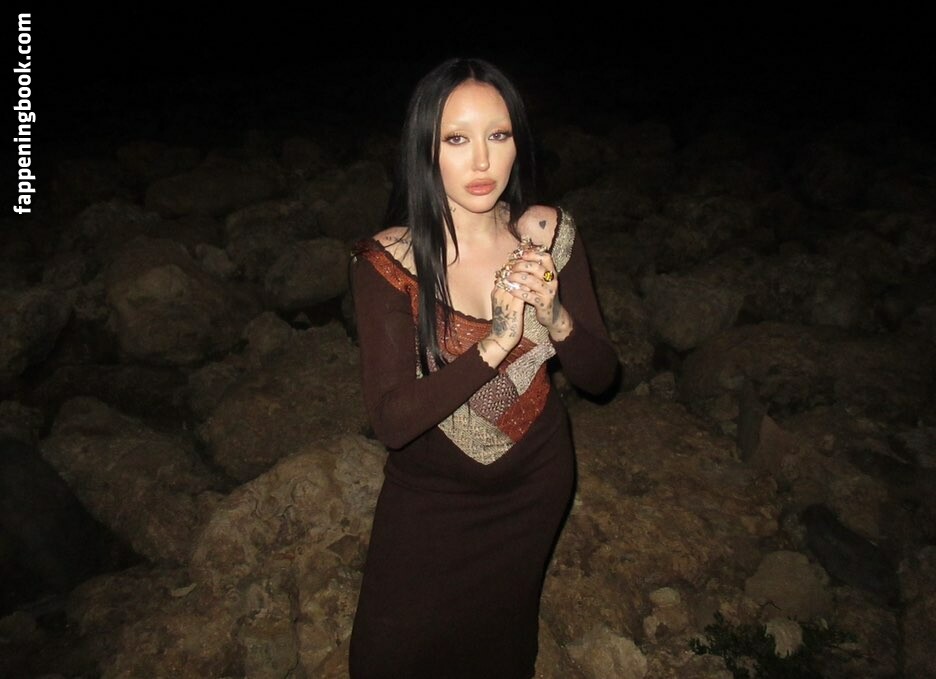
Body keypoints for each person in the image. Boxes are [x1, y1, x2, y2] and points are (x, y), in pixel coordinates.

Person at [347, 56, 618, 679]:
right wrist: (497, 342)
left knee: (500, 649)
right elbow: (392, 422)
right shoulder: (388, 262)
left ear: (517, 142)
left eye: (498, 135)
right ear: (426, 149)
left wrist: (553, 315)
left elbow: (601, 377)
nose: (481, 162)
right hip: (431, 501)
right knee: (386, 658)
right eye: (456, 139)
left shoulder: (546, 237)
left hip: (536, 485)